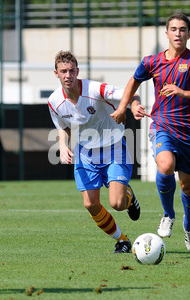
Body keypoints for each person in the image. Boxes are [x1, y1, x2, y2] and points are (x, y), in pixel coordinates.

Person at [111, 13, 190, 252]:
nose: (178, 33)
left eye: (182, 29)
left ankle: (189, 226)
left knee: (188, 188)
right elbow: (133, 81)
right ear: (167, 34)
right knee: (165, 165)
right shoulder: (152, 61)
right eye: (173, 29)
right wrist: (126, 106)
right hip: (162, 125)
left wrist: (183, 93)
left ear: (189, 34)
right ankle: (168, 214)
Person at [48, 51, 142, 253]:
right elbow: (62, 126)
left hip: (113, 147)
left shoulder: (95, 89)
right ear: (56, 73)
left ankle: (129, 196)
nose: (68, 75)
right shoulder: (54, 101)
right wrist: (63, 145)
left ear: (78, 71)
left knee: (117, 203)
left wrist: (131, 108)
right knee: (90, 204)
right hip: (85, 153)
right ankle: (122, 240)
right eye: (63, 71)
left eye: (72, 70)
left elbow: (131, 93)